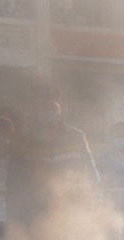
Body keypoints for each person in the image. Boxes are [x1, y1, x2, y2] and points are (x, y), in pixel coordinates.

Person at [7, 84, 99, 229]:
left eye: (51, 103)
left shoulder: (77, 137)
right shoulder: (24, 141)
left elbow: (91, 173)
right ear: (36, 109)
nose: (48, 109)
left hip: (71, 212)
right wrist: (15, 217)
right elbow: (14, 181)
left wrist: (95, 204)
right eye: (43, 105)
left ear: (59, 105)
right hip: (34, 216)